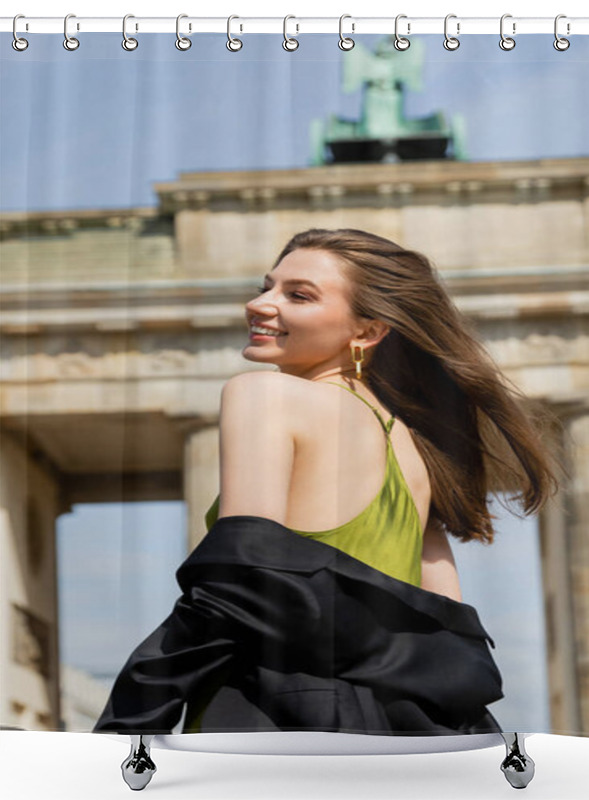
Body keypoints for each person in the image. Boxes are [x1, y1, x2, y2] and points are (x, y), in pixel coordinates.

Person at [93, 228, 564, 739]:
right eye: (266, 286)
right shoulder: (420, 447)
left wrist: (128, 723)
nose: (258, 304)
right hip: (402, 730)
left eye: (298, 295)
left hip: (276, 715)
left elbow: (237, 581)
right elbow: (448, 630)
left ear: (367, 332)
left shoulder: (265, 397)